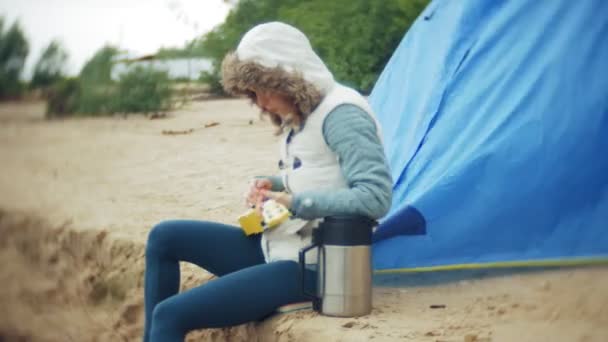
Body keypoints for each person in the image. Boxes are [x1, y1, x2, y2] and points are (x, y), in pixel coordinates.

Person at [143, 21, 392, 342]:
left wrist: (293, 202)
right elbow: (320, 175)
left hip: (315, 267)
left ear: (287, 76)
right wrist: (272, 184)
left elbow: (376, 197)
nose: (258, 102)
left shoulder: (342, 113)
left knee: (170, 315)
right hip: (275, 246)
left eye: (261, 89)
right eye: (252, 92)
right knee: (165, 237)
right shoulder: (306, 111)